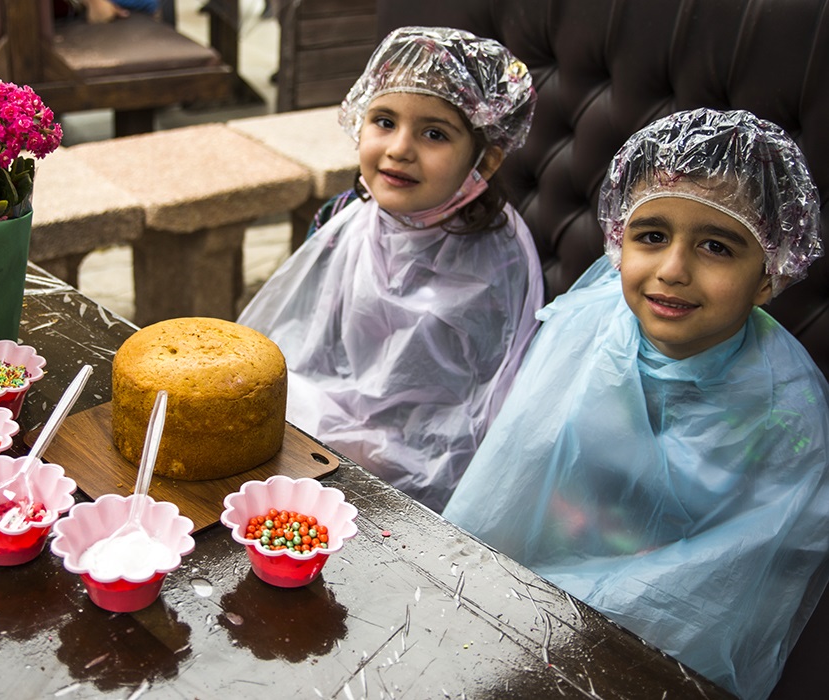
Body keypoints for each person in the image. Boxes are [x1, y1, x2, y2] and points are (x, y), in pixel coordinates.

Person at [443, 108, 829, 700]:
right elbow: (507, 487)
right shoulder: (584, 328)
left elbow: (731, 584)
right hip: (512, 605)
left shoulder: (788, 414)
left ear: (770, 273)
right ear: (619, 241)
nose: (672, 270)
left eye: (717, 247)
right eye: (651, 237)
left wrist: (581, 624)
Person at [238, 27, 544, 512]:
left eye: (434, 133)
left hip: (427, 463)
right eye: (384, 121)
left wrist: (379, 450)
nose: (400, 148)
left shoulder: (495, 256)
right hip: (327, 416)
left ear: (484, 161)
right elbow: (312, 341)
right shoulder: (344, 218)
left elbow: (481, 402)